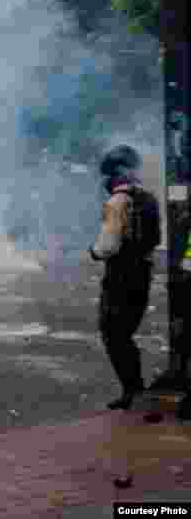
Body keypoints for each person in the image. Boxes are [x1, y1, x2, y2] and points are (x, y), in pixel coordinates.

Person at [89, 145, 162, 410]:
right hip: (142, 272)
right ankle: (134, 389)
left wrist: (94, 252)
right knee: (126, 330)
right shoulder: (150, 199)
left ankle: (133, 390)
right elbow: (156, 238)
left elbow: (107, 246)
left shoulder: (117, 201)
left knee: (113, 332)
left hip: (120, 275)